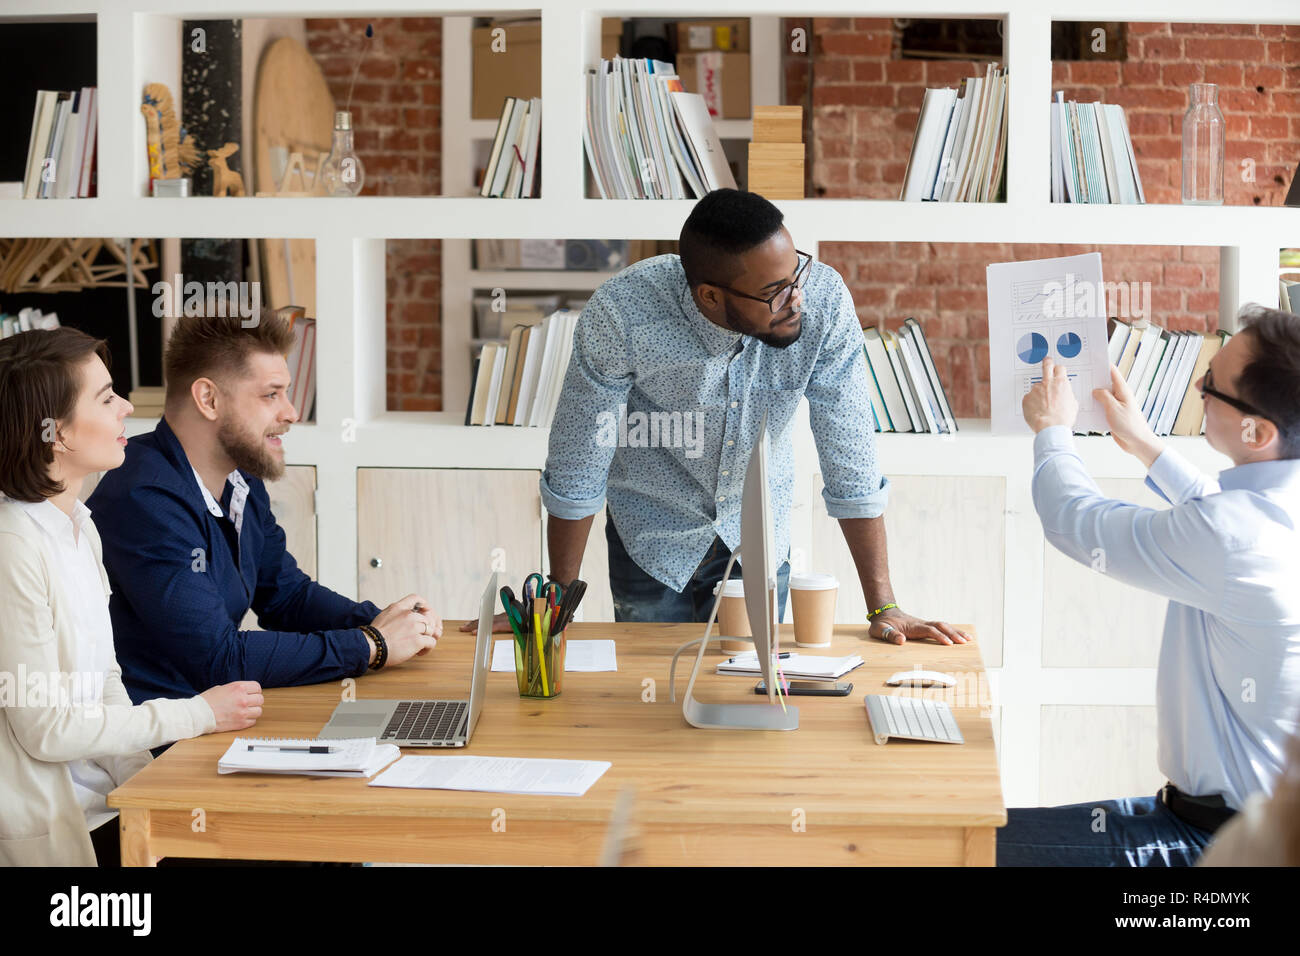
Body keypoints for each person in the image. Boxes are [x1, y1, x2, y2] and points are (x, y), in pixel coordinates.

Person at [467, 189, 970, 644]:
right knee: (654, 707)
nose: (795, 296)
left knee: (750, 693)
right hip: (650, 536)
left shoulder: (822, 302)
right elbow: (580, 455)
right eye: (774, 290)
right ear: (710, 295)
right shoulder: (624, 312)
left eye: (796, 271)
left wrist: (884, 605)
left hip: (757, 539)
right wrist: (558, 597)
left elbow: (850, 451)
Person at [1000, 304, 1300, 866]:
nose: (1196, 384)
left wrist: (1053, 431)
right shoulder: (1274, 512)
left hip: (1217, 848)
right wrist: (1143, 443)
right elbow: (1220, 513)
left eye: (1211, 382)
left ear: (1257, 431)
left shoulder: (1235, 538)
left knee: (971, 846)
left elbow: (1075, 520)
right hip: (1216, 819)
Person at [0, 327, 263, 866]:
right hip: (60, 831)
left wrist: (158, 786)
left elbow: (107, 684)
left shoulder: (78, 526)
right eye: (104, 397)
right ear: (55, 433)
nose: (125, 407)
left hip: (110, 807)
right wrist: (197, 714)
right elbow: (45, 730)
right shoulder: (13, 548)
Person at [87, 309, 440, 706]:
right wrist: (371, 644)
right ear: (208, 399)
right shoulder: (145, 500)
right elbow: (219, 659)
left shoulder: (241, 479)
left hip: (221, 716)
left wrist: (383, 620)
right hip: (161, 745)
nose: (290, 413)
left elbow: (285, 596)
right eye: (271, 394)